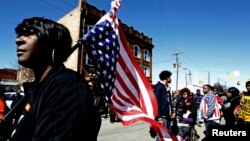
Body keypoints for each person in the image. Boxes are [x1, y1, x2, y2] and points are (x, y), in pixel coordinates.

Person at [10, 17, 96, 141]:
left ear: (51, 45)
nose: (18, 40)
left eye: (29, 34)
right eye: (20, 35)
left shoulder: (65, 86)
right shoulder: (34, 90)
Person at [154, 70, 176, 140]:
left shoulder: (166, 87)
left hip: (167, 116)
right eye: (170, 77)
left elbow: (169, 102)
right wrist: (159, 117)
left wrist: (172, 112)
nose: (171, 79)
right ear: (167, 77)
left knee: (166, 136)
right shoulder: (159, 87)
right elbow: (156, 103)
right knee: (162, 136)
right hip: (162, 117)